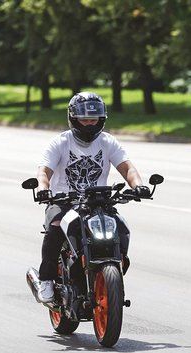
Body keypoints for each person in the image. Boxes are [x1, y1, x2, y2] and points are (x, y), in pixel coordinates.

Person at [34, 91, 150, 303]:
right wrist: (44, 188)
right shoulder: (60, 142)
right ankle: (47, 280)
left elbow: (128, 168)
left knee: (120, 227)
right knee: (55, 228)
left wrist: (139, 186)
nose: (89, 125)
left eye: (93, 120)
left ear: (101, 120)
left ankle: (114, 266)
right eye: (84, 120)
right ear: (73, 119)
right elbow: (44, 172)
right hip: (64, 201)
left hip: (99, 201)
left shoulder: (108, 142)